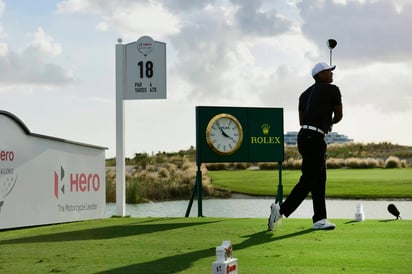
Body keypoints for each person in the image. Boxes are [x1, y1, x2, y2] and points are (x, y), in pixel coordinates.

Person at [268, 62, 343, 231]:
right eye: (328, 71)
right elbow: (339, 115)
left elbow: (302, 121)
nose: (332, 74)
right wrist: (329, 122)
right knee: (309, 178)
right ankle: (281, 210)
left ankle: (320, 219)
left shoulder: (304, 94)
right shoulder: (333, 89)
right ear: (319, 74)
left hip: (304, 136)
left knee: (319, 179)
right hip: (316, 137)